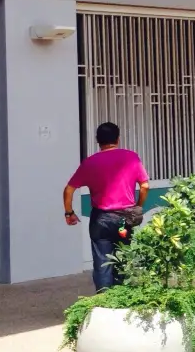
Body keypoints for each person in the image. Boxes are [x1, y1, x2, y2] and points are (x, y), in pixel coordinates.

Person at [63, 122, 150, 292]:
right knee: (123, 254)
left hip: (101, 220)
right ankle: (122, 297)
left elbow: (69, 189)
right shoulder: (131, 157)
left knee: (102, 261)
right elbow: (145, 186)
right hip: (123, 221)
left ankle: (104, 300)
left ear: (98, 140)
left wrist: (69, 213)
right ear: (118, 138)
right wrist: (137, 206)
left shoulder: (90, 162)